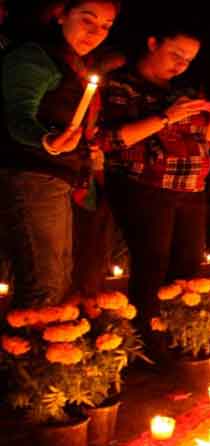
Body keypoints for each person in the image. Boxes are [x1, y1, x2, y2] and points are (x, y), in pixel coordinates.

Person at [97, 25, 210, 326]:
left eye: (188, 60)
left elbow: (207, 140)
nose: (181, 65)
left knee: (188, 268)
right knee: (152, 266)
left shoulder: (183, 92)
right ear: (152, 43)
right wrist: (165, 117)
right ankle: (148, 336)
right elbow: (111, 140)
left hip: (192, 188)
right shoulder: (122, 85)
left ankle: (181, 334)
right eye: (176, 54)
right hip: (144, 185)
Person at [0, 0, 120, 308]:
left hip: (62, 175)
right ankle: (27, 338)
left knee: (60, 282)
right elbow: (18, 117)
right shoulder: (33, 57)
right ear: (60, 14)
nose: (96, 32)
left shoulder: (75, 64)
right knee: (44, 285)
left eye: (106, 26)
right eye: (87, 20)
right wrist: (47, 140)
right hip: (33, 174)